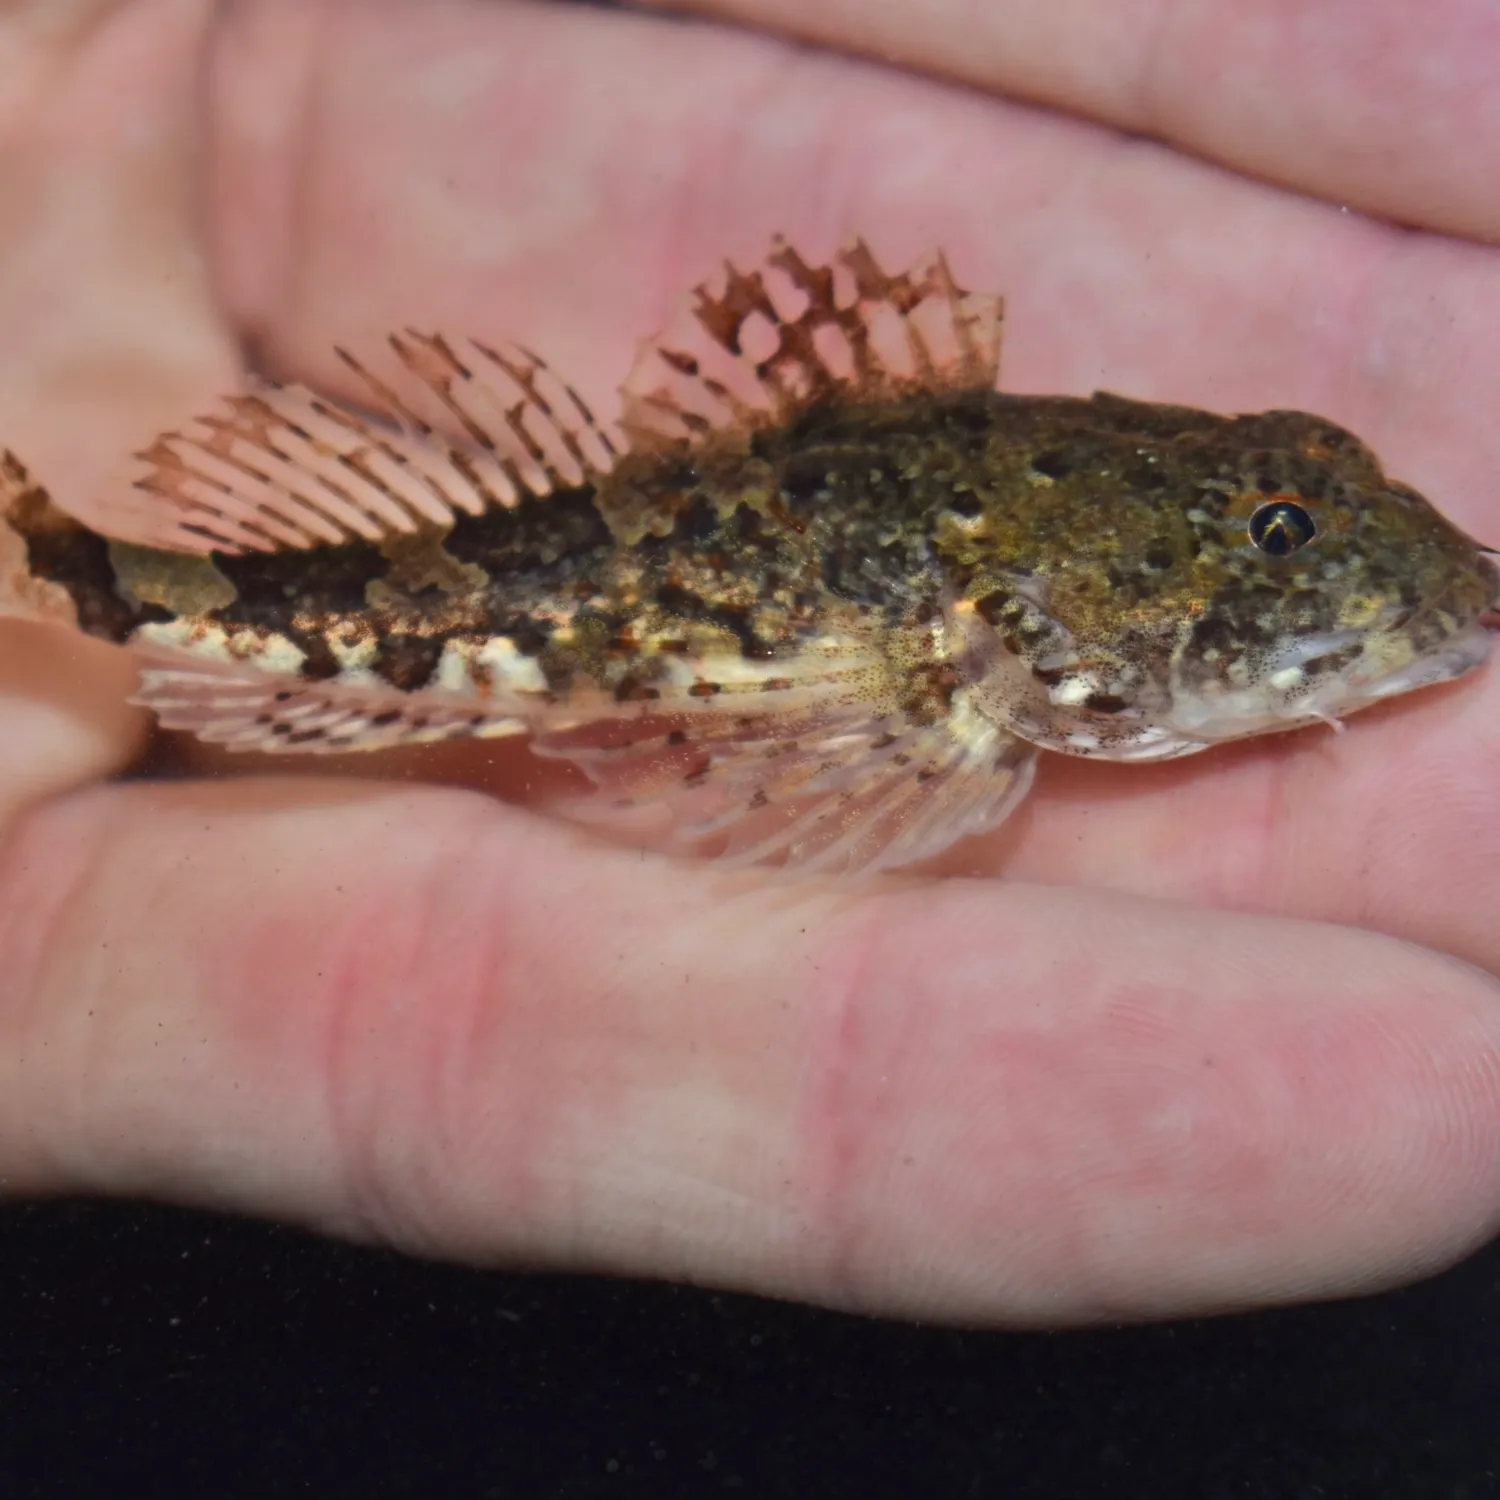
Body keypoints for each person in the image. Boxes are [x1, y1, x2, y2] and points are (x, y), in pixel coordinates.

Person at [1, 0, 1499, 1325]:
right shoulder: (950, 674)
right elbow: (805, 765)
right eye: (1282, 531)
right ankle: (62, 569)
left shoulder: (985, 636)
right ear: (1035, 594)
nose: (1320, 568)